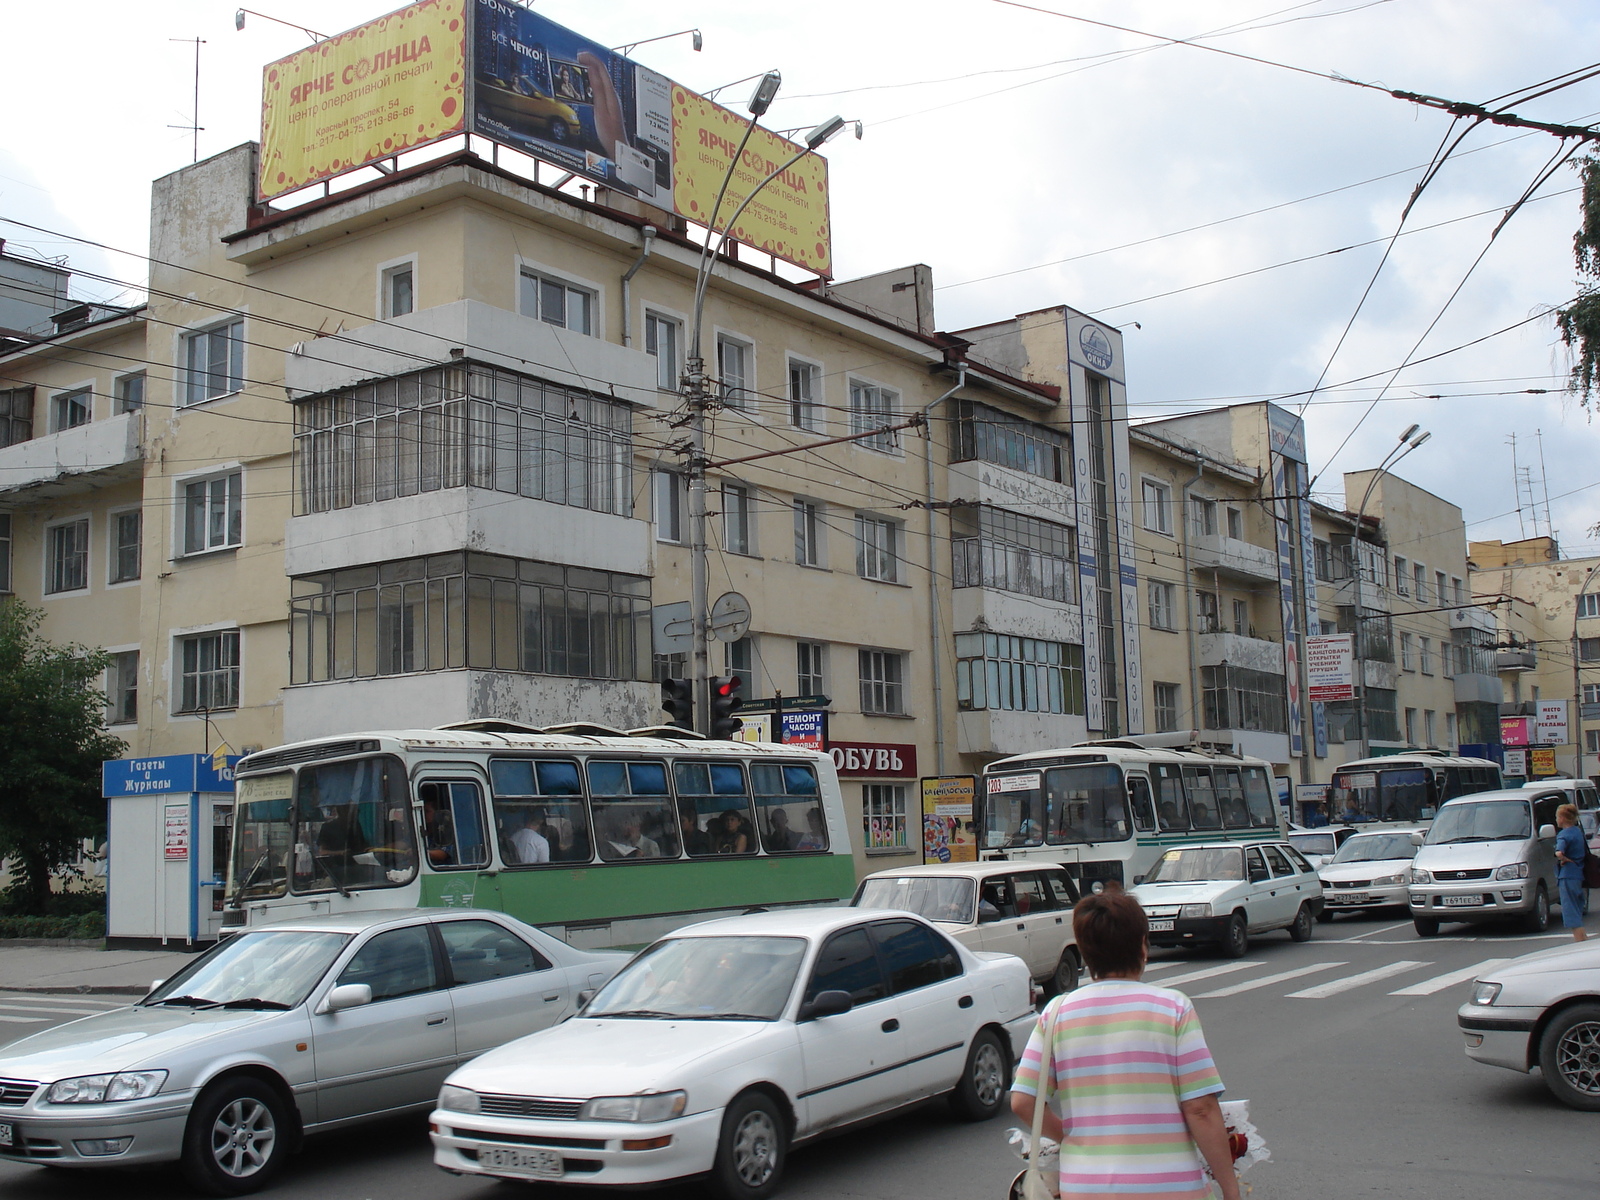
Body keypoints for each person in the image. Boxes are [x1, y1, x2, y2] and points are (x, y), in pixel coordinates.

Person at [1010, 884, 1243, 1200]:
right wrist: (1230, 1189)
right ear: (1142, 946)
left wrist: (1072, 1139)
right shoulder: (1173, 1008)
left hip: (1085, 1187)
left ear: (1084, 951)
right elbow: (1200, 1108)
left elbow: (1023, 1102)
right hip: (1169, 1187)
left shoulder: (1057, 1012)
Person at [1555, 803, 1588, 943]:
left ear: (1562, 818)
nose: (1556, 820)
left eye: (1557, 817)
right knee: (1577, 909)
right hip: (1579, 874)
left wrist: (1563, 859)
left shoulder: (1564, 834)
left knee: (1571, 914)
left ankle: (1580, 943)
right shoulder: (1577, 832)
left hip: (1567, 875)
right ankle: (1584, 940)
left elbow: (1559, 852)